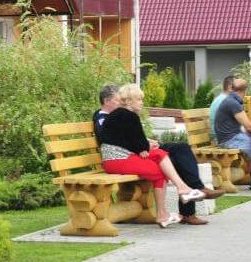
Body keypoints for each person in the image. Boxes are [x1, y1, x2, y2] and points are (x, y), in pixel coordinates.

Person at [95, 82, 224, 225]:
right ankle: (171, 206)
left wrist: (145, 146)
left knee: (167, 153)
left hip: (125, 155)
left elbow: (129, 138)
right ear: (129, 101)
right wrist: (144, 147)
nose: (142, 103)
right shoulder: (127, 116)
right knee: (163, 167)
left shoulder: (121, 114)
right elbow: (136, 142)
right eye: (139, 99)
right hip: (118, 158)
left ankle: (183, 191)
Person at [208, 76, 236, 143]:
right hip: (221, 138)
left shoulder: (220, 98)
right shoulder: (226, 101)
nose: (239, 90)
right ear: (230, 87)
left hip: (219, 135)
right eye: (238, 87)